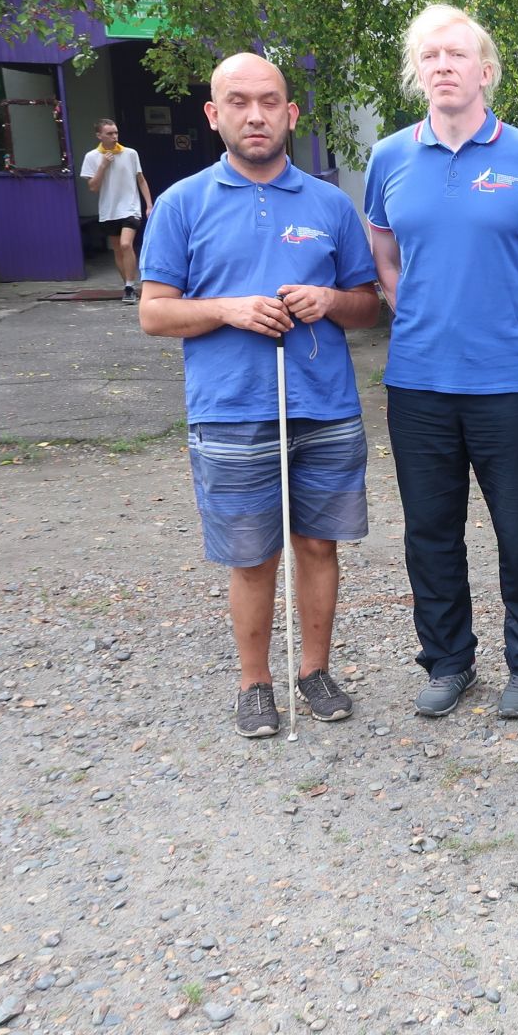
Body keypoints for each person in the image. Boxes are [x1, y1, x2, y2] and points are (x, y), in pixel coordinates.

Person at [138, 53, 381, 738]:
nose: (255, 114)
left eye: (270, 101)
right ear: (214, 114)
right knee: (250, 556)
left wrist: (331, 298)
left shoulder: (331, 204)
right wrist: (229, 310)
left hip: (324, 405)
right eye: (238, 101)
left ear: (290, 113)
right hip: (232, 407)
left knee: (319, 545)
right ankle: (254, 683)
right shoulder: (185, 203)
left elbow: (368, 307)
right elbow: (155, 313)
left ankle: (314, 670)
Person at [365, 4, 518, 720]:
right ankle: (448, 661)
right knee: (430, 530)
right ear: (418, 73)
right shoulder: (390, 158)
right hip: (417, 381)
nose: (445, 66)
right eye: (431, 56)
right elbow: (384, 256)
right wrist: (423, 313)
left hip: (508, 381)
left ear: (485, 71)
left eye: (458, 55)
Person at [81, 118, 155, 304]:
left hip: (130, 207)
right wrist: (103, 166)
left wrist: (149, 204)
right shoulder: (91, 157)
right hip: (109, 210)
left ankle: (130, 285)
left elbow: (141, 179)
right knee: (117, 249)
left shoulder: (130, 153)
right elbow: (93, 187)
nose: (114, 137)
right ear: (99, 136)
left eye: (116, 133)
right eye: (109, 134)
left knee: (125, 245)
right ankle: (128, 286)